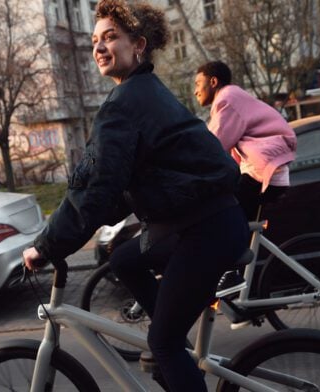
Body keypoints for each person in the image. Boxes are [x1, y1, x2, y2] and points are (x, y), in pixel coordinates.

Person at [22, 1, 249, 390]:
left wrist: (46, 246)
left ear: (138, 45)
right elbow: (121, 189)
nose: (99, 47)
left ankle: (170, 348)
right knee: (124, 258)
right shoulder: (144, 92)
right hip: (198, 222)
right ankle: (173, 343)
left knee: (162, 343)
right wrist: (84, 221)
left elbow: (93, 191)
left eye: (110, 37)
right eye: (95, 40)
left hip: (203, 230)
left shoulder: (123, 105)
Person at [194, 61, 297, 221]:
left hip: (261, 174)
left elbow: (212, 146)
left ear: (213, 82)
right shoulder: (233, 96)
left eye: (198, 84)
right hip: (266, 173)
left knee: (222, 215)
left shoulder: (226, 99)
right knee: (237, 225)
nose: (195, 91)